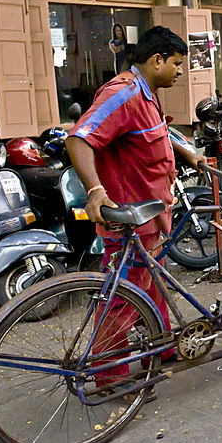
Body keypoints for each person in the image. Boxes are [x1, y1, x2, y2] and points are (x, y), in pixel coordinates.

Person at [67, 26, 205, 389]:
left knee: (155, 286)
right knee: (124, 298)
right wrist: (95, 189)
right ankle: (110, 375)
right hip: (130, 220)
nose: (179, 71)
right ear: (156, 60)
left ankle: (160, 347)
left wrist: (186, 153)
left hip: (154, 216)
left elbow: (155, 133)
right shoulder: (124, 94)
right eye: (176, 64)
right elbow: (79, 138)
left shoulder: (149, 93)